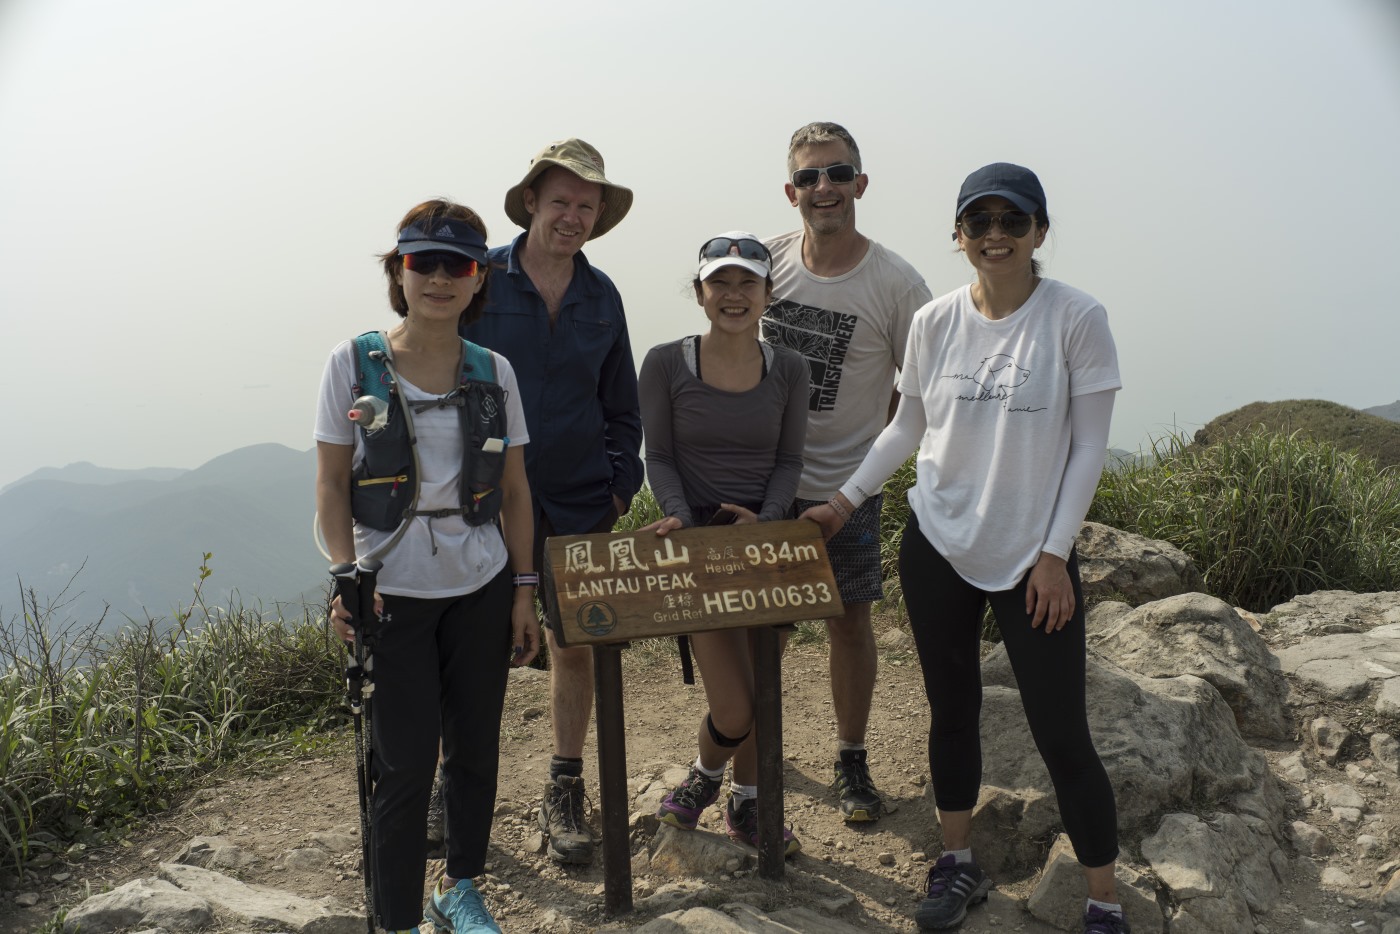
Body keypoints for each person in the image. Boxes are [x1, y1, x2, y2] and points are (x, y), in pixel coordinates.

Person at [803, 163, 1128, 933]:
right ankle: (957, 862)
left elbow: (1089, 448)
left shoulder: (1075, 318)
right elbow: (907, 428)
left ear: (1039, 233)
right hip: (938, 541)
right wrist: (845, 502)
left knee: (1061, 731)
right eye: (977, 223)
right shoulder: (935, 321)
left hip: (1033, 556)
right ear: (958, 236)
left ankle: (1104, 901)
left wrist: (1055, 554)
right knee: (951, 709)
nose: (994, 236)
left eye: (1012, 222)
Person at [315, 200, 538, 934]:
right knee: (405, 765)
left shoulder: (494, 371)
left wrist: (524, 591)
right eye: (423, 263)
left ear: (480, 280)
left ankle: (461, 886)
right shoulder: (352, 364)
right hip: (392, 592)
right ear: (399, 272)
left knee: (475, 748)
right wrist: (345, 579)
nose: (440, 278)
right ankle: (397, 918)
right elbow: (330, 485)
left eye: (459, 266)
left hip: (480, 582)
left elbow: (513, 490)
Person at [458, 138, 643, 866]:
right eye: (560, 201)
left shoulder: (604, 297)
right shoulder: (480, 282)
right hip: (487, 498)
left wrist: (619, 485)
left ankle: (564, 786)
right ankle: (453, 781)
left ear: (599, 216)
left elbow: (622, 405)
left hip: (579, 499)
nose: (572, 216)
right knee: (471, 647)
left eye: (586, 206)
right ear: (531, 200)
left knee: (577, 646)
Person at [760, 121, 932, 823]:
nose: (822, 188)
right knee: (760, 625)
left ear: (860, 184)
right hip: (766, 484)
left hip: (848, 487)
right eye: (809, 177)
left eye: (836, 174)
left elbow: (916, 390)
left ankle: (851, 757)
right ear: (790, 190)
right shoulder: (767, 260)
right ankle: (754, 748)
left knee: (849, 623)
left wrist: (867, 468)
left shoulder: (897, 284)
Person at [641, 232, 809, 854]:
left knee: (763, 691)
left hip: (771, 545)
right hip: (703, 547)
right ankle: (706, 778)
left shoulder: (790, 367)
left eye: (748, 283)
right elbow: (658, 455)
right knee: (736, 708)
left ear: (768, 294)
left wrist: (765, 520)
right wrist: (682, 520)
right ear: (700, 293)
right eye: (721, 283)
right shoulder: (664, 363)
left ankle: (747, 804)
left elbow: (791, 459)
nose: (734, 295)